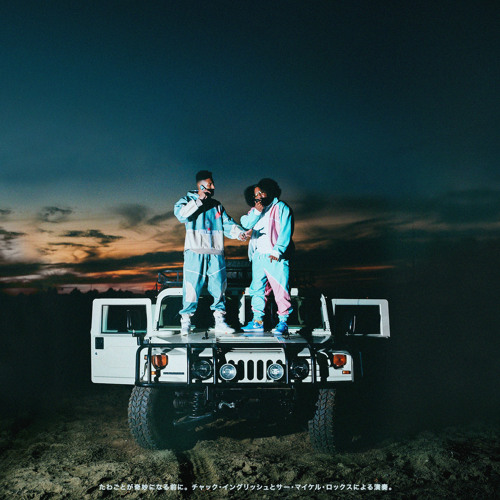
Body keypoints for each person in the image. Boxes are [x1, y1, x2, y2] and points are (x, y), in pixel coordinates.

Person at [174, 170, 247, 335]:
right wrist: (198, 201)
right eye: (210, 184)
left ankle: (220, 321)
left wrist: (240, 233)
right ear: (200, 186)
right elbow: (181, 215)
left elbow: (227, 223)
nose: (213, 187)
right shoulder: (186, 200)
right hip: (194, 251)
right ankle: (186, 322)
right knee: (191, 287)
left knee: (219, 287)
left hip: (215, 252)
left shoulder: (217, 205)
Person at [240, 178, 294, 335]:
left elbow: (286, 230)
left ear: (269, 192)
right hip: (258, 257)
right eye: (256, 194)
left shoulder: (281, 207)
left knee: (281, 289)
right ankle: (257, 321)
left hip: (275, 256)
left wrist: (278, 250)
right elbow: (245, 223)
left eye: (261, 193)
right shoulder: (255, 210)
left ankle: (283, 322)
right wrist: (256, 212)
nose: (258, 196)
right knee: (257, 289)